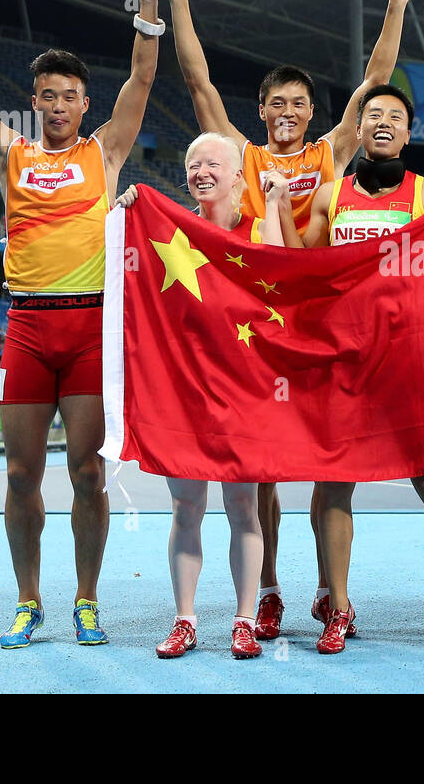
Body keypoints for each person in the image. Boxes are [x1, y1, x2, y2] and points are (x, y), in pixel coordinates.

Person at [161, 0, 413, 639]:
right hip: (258, 324)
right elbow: (196, 82)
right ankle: (268, 590)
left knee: (330, 464)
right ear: (263, 111)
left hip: (321, 320)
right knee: (262, 466)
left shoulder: (328, 153)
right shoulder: (244, 157)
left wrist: (394, 6)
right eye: (277, 104)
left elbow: (375, 84)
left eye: (299, 105)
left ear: (311, 114)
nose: (288, 113)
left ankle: (337, 594)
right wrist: (180, 0)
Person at [0, 0, 163, 649]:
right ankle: (30, 600)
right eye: (47, 96)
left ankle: (87, 599)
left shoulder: (105, 152)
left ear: (85, 104)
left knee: (87, 473)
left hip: (90, 329)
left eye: (69, 96)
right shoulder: (12, 154)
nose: (58, 105)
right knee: (21, 473)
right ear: (36, 103)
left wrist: (147, 1)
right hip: (27, 328)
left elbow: (144, 77)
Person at [296, 84, 424, 653]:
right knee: (333, 484)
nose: (382, 123)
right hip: (345, 361)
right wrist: (279, 206)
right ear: (359, 130)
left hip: (406, 363)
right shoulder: (331, 196)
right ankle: (341, 606)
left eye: (395, 117)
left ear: (407, 133)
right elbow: (300, 267)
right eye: (372, 114)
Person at [116, 133, 292, 660]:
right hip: (184, 393)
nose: (201, 171)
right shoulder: (167, 231)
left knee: (244, 507)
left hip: (245, 392)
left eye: (213, 163)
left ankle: (243, 619)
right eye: (193, 163)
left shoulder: (259, 228)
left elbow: (285, 284)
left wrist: (280, 204)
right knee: (186, 507)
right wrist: (127, 209)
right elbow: (128, 276)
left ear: (239, 174)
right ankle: (186, 619)